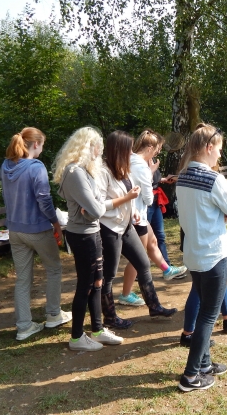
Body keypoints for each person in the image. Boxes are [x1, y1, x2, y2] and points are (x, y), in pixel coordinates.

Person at [176, 123, 227, 392]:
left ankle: (204, 365)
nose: (219, 156)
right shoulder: (214, 179)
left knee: (205, 309)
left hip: (194, 251)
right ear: (208, 147)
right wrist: (222, 215)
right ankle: (190, 377)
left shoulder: (182, 176)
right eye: (218, 150)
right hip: (213, 253)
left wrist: (218, 214)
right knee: (208, 316)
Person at [53, 126, 123, 351]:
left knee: (98, 282)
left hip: (93, 232)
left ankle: (98, 330)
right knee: (85, 285)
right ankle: (76, 337)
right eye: (97, 146)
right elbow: (97, 208)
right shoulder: (74, 172)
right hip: (82, 236)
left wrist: (94, 207)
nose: (100, 151)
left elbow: (96, 206)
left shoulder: (85, 171)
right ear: (86, 146)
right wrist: (93, 207)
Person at [99, 130, 177, 329]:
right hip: (110, 228)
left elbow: (130, 193)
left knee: (143, 263)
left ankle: (155, 306)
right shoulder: (102, 171)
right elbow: (100, 204)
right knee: (108, 274)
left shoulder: (123, 167)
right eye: (128, 148)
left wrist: (132, 210)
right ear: (118, 149)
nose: (131, 152)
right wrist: (127, 201)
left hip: (126, 225)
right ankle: (109, 317)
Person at [0, 127, 72, 341]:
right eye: (42, 145)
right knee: (54, 269)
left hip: (15, 230)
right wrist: (55, 222)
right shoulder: (35, 167)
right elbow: (44, 200)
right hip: (38, 229)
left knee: (23, 279)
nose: (42, 149)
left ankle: (24, 325)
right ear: (35, 144)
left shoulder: (5, 166)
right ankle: (53, 314)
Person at [119, 130, 187, 306]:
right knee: (138, 257)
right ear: (150, 147)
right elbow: (149, 199)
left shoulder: (131, 159)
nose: (158, 152)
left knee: (153, 242)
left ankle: (166, 269)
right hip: (136, 216)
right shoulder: (141, 166)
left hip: (136, 214)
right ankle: (126, 294)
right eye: (157, 148)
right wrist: (150, 173)